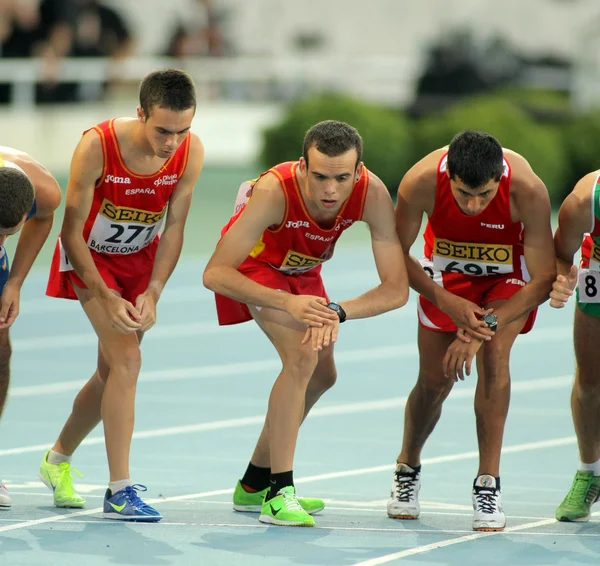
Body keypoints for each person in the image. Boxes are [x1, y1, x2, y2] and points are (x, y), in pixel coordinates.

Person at [203, 120, 409, 527]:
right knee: (301, 358)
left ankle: (253, 484)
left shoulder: (372, 194)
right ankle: (280, 493)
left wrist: (338, 310)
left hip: (303, 274)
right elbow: (215, 274)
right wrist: (287, 303)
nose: (330, 190)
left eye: (341, 178)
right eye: (319, 177)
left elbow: (396, 289)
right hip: (255, 270)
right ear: (302, 166)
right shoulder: (274, 191)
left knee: (323, 374)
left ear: (358, 171)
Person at [42, 68, 204, 522]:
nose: (172, 142)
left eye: (182, 130)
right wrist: (106, 294)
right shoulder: (97, 146)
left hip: (140, 263)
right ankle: (119, 490)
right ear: (140, 113)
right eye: (162, 131)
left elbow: (174, 228)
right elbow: (71, 232)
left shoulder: (191, 151)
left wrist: (154, 289)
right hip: (90, 261)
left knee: (111, 372)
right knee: (129, 361)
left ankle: (56, 461)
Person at [387, 130, 556, 531]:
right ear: (449, 179)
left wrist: (481, 327)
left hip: (509, 279)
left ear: (500, 177)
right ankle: (407, 467)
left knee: (495, 358)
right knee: (434, 380)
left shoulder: (527, 190)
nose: (475, 205)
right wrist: (447, 302)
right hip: (445, 279)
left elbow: (544, 278)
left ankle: (488, 483)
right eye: (464, 194)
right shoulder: (420, 182)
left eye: (485, 194)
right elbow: (395, 252)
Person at [0, 148, 61, 508]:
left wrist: (15, 283)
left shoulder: (44, 191)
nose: (2, 241)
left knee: (1, 351)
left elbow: (45, 218)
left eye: (9, 232)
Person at [549, 169, 600, 522]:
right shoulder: (586, 199)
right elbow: (559, 251)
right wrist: (561, 279)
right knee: (590, 381)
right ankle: (589, 472)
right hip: (598, 274)